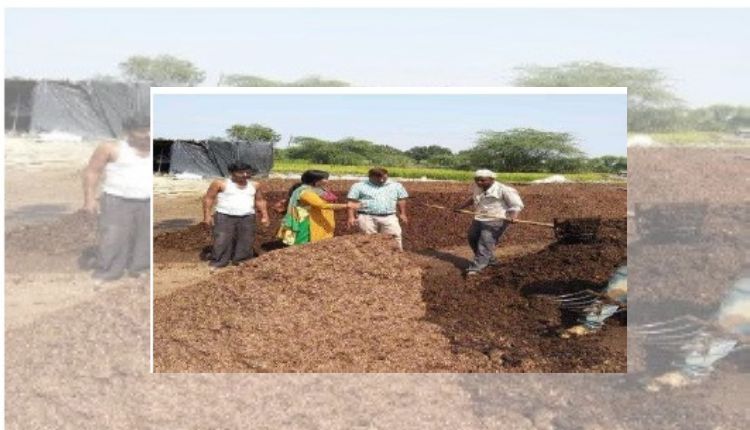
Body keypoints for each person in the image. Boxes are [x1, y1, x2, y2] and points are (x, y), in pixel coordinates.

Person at [82, 114, 151, 283]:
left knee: (144, 237)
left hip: (147, 201)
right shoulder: (111, 148)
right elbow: (92, 171)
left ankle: (139, 268)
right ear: (128, 131)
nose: (147, 134)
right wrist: (89, 199)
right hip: (117, 200)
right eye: (142, 131)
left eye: (150, 129)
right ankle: (108, 271)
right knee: (113, 237)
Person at [454, 169, 524, 276]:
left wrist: (513, 216)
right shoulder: (478, 188)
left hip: (497, 219)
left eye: (482, 180)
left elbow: (516, 205)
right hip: (480, 217)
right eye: (476, 180)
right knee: (472, 238)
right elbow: (474, 199)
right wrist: (461, 207)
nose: (479, 183)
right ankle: (490, 260)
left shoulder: (504, 190)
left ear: (492, 179)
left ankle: (477, 267)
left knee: (485, 241)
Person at [202, 163, 269, 269]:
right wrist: (207, 215)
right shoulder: (220, 183)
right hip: (224, 216)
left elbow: (260, 200)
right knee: (222, 239)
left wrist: (265, 215)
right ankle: (219, 261)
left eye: (248, 172)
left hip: (247, 216)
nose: (245, 175)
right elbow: (209, 198)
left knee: (246, 239)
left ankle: (242, 260)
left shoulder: (255, 185)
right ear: (232, 173)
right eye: (241, 172)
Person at [279, 170, 359, 245]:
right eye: (324, 179)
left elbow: (330, 199)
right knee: (303, 241)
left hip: (317, 219)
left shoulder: (318, 190)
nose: (327, 181)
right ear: (316, 181)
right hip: (306, 220)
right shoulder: (305, 192)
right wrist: (346, 206)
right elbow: (321, 205)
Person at [346, 167, 409, 250]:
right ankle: (370, 259)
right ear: (370, 177)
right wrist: (351, 217)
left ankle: (397, 258)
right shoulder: (359, 186)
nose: (382, 180)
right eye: (379, 179)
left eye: (384, 178)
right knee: (367, 239)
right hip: (367, 217)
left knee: (394, 237)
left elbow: (401, 199)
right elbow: (351, 202)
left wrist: (402, 213)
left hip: (389, 216)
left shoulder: (396, 185)